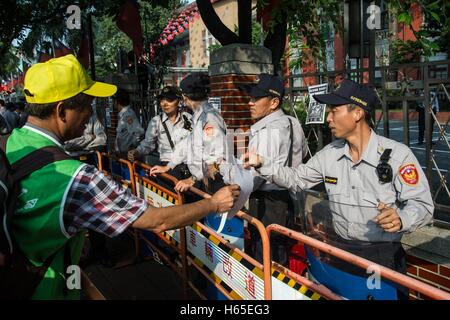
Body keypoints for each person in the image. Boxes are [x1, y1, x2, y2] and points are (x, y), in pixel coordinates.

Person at [6, 54, 240, 300]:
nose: (90, 114)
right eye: (87, 104)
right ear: (62, 111)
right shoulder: (79, 179)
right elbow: (156, 220)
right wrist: (213, 203)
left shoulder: (12, 143)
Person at [244, 79, 434, 299]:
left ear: (357, 114)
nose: (328, 118)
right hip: (340, 255)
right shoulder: (330, 154)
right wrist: (262, 163)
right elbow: (297, 179)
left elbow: (422, 205)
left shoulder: (397, 156)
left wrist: (401, 218)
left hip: (381, 258)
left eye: (334, 110)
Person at [239, 73, 308, 266]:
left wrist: (237, 188)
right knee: (279, 254)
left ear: (273, 102)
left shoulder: (267, 131)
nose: (250, 103)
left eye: (256, 98)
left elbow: (255, 177)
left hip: (267, 202)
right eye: (250, 98)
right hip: (288, 198)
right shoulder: (292, 122)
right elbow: (302, 153)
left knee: (265, 257)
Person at [150, 73, 228, 194]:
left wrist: (193, 179)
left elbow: (217, 158)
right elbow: (187, 144)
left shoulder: (209, 119)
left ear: (184, 97)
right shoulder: (198, 117)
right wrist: (169, 166)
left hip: (212, 183)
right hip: (202, 180)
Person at [128, 86, 192, 180]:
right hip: (166, 168)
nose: (164, 104)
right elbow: (148, 144)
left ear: (178, 101)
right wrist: (137, 151)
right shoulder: (156, 121)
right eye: (162, 100)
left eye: (169, 100)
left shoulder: (188, 119)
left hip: (189, 167)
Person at [114, 88, 145, 155]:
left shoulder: (128, 115)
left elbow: (139, 132)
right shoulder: (123, 115)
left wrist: (132, 147)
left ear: (117, 101)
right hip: (122, 154)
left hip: (127, 155)